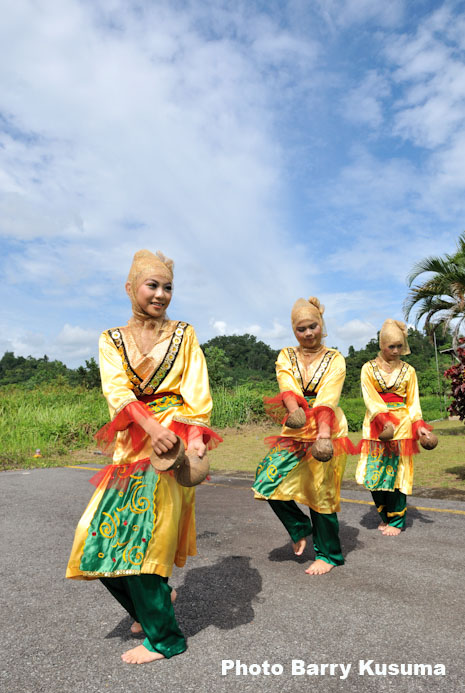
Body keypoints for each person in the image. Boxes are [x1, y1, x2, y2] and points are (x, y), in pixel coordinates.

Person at [66, 249, 221, 664]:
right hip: (132, 446)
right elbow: (117, 393)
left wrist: (193, 438)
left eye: (168, 287)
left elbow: (196, 390)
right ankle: (148, 608)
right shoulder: (111, 338)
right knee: (96, 541)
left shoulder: (184, 333)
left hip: (173, 451)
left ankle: (165, 639)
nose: (161, 294)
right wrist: (152, 430)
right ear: (130, 288)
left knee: (146, 542)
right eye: (152, 285)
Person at [252, 297, 355, 575]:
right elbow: (286, 383)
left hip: (328, 427)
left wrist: (323, 435)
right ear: (293, 331)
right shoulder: (286, 355)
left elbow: (328, 397)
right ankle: (299, 526)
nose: (308, 333)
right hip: (297, 426)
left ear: (322, 325)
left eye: (313, 326)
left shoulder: (335, 358)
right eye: (301, 329)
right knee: (266, 480)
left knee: (322, 493)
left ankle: (329, 555)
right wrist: (294, 409)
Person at [355, 319, 433, 536]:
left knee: (398, 476)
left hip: (403, 428)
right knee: (374, 476)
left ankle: (397, 521)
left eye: (400, 346)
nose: (396, 350)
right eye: (392, 346)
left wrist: (420, 427)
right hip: (377, 428)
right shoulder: (368, 368)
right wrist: (384, 420)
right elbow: (370, 398)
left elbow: (413, 401)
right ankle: (385, 515)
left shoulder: (409, 370)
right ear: (382, 345)